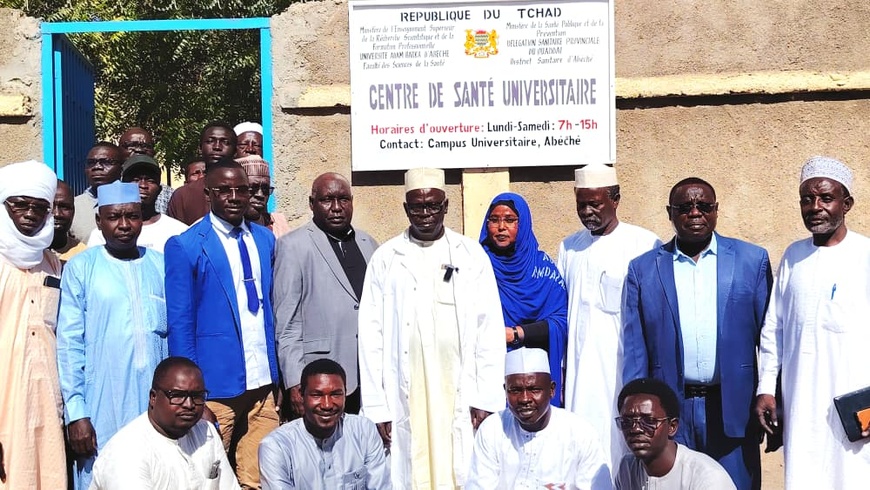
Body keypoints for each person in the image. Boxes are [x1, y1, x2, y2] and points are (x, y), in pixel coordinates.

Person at [358, 167, 505, 488]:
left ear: (446, 206)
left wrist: (487, 397)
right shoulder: (386, 258)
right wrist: (377, 407)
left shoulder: (470, 255)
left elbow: (489, 329)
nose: (425, 214)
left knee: (459, 465)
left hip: (459, 385)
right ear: (405, 208)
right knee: (411, 466)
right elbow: (370, 336)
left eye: (433, 205)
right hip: (404, 386)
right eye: (417, 207)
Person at [622, 177, 772, 490]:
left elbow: (770, 339)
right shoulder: (643, 269)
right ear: (669, 213)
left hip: (733, 408)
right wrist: (636, 414)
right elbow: (635, 351)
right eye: (684, 207)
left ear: (716, 210)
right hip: (669, 411)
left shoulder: (751, 261)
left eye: (703, 206)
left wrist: (772, 397)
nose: (694, 213)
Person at [755, 156, 870, 489]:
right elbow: (773, 329)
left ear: (846, 204)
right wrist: (766, 388)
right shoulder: (793, 256)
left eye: (825, 198)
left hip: (855, 404)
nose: (815, 207)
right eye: (807, 199)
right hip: (800, 400)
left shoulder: (865, 254)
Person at [165, 157, 279, 489]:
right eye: (224, 190)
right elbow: (180, 324)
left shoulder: (264, 240)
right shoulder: (186, 245)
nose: (234, 197)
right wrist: (192, 395)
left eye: (241, 190)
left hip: (263, 385)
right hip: (215, 388)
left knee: (259, 477)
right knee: (206, 477)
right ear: (208, 193)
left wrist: (278, 378)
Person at [56, 180, 169, 489]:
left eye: (132, 216)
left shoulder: (161, 265)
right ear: (99, 221)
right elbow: (69, 345)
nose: (124, 225)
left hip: (155, 405)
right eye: (114, 217)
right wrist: (76, 413)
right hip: (101, 405)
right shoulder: (81, 268)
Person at [558, 163, 661, 470]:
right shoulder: (569, 247)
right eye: (581, 204)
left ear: (615, 199)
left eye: (595, 204)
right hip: (578, 370)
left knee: (622, 445)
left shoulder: (644, 244)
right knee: (581, 447)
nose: (587, 211)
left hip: (621, 369)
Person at [274, 172, 377, 417]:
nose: (337, 207)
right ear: (312, 204)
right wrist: (294, 381)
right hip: (320, 379)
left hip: (367, 376)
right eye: (327, 200)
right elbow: (286, 324)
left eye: (344, 199)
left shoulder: (368, 244)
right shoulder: (293, 246)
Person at [0, 160, 66, 490]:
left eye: (40, 207)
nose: (30, 214)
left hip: (47, 402)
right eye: (20, 205)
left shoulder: (52, 263)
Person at [468, 348, 611, 489]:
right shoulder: (492, 429)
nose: (525, 399)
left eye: (534, 390)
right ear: (505, 391)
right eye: (515, 390)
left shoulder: (580, 433)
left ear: (552, 390)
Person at [90, 357, 239, 489]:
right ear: (153, 397)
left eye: (197, 396)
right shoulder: (127, 452)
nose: (189, 404)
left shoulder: (207, 432)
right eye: (177, 395)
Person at [478, 192, 568, 406]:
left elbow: (560, 321)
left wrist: (516, 334)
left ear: (524, 223)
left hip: (532, 374)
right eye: (494, 220)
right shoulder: (476, 264)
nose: (501, 227)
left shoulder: (542, 268)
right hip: (486, 366)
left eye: (510, 220)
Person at [259, 359, 390, 489]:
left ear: (345, 394)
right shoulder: (277, 447)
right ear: (301, 396)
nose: (327, 405)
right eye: (317, 395)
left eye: (335, 394)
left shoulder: (363, 432)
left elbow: (380, 486)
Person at [615, 378, 736, 489]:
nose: (636, 429)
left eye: (648, 421)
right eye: (626, 421)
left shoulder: (707, 478)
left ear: (672, 427)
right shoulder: (627, 469)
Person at [86, 155, 187, 253]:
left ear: (160, 190)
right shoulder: (101, 234)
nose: (143, 185)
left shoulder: (178, 231)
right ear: (123, 185)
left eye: (150, 180)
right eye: (135, 180)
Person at [167, 121, 237, 225]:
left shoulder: (245, 191)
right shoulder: (182, 195)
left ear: (235, 151)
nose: (217, 147)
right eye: (210, 141)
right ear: (200, 148)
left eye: (225, 142)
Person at [70, 142, 124, 241]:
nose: (97, 167)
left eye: (106, 162)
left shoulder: (135, 203)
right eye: (91, 162)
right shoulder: (73, 206)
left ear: (121, 168)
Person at [118, 126, 173, 214]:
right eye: (131, 145)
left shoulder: (169, 194)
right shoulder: (107, 191)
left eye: (146, 146)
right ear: (118, 150)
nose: (139, 150)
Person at [236, 155, 290, 237]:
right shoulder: (223, 230)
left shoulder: (278, 224)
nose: (260, 195)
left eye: (265, 189)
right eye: (252, 188)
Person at [50, 179, 87, 262]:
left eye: (64, 207)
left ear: (73, 211)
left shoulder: (84, 255)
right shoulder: (25, 253)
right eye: (51, 206)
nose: (57, 214)